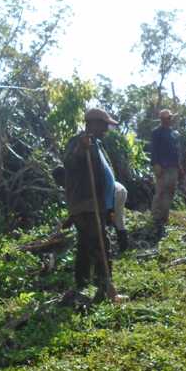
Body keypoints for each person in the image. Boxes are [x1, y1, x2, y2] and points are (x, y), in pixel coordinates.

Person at [63, 107, 120, 301]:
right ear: (93, 124)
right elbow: (69, 164)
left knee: (86, 244)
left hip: (97, 203)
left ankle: (82, 282)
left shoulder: (97, 144)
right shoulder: (78, 142)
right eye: (103, 125)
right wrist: (81, 149)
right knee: (101, 243)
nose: (105, 129)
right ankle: (106, 286)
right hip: (85, 203)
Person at [53, 167, 129, 253]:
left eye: (60, 181)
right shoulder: (72, 185)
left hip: (115, 191)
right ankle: (115, 248)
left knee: (117, 219)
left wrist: (71, 219)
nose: (60, 185)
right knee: (108, 220)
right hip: (107, 194)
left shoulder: (78, 182)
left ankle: (123, 248)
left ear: (64, 177)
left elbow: (83, 204)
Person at [151, 109, 184, 231]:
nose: (169, 120)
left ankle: (164, 216)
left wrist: (179, 167)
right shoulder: (156, 133)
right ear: (162, 120)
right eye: (167, 118)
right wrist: (156, 165)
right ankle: (155, 217)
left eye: (170, 118)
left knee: (170, 192)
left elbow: (177, 152)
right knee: (160, 192)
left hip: (173, 168)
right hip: (162, 168)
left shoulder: (174, 133)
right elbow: (154, 150)